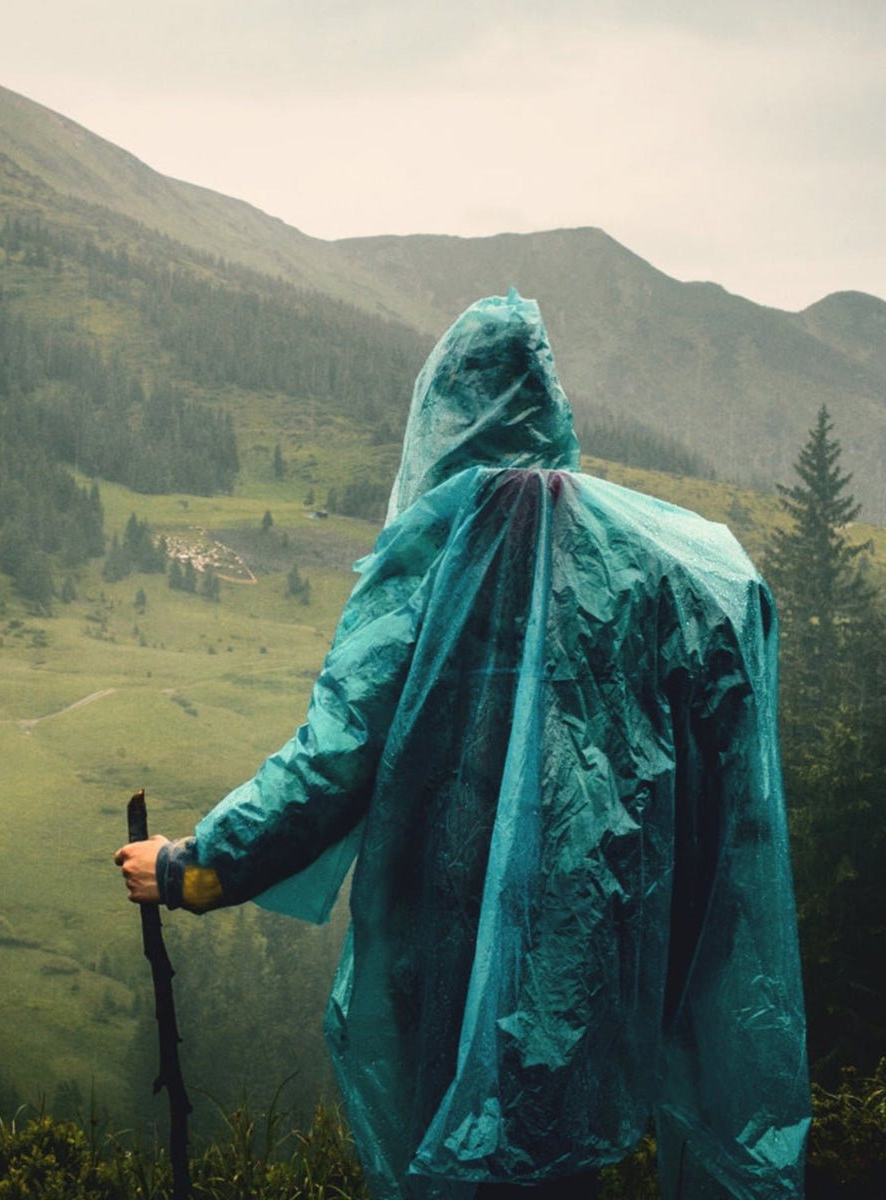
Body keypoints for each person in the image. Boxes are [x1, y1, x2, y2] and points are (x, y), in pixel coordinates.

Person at [115, 292, 809, 1199]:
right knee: (558, 1166)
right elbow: (727, 778)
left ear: (440, 417)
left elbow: (331, 760)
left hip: (443, 950)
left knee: (465, 1165)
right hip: (598, 955)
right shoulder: (651, 564)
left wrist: (192, 868)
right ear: (549, 413)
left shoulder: (433, 562)